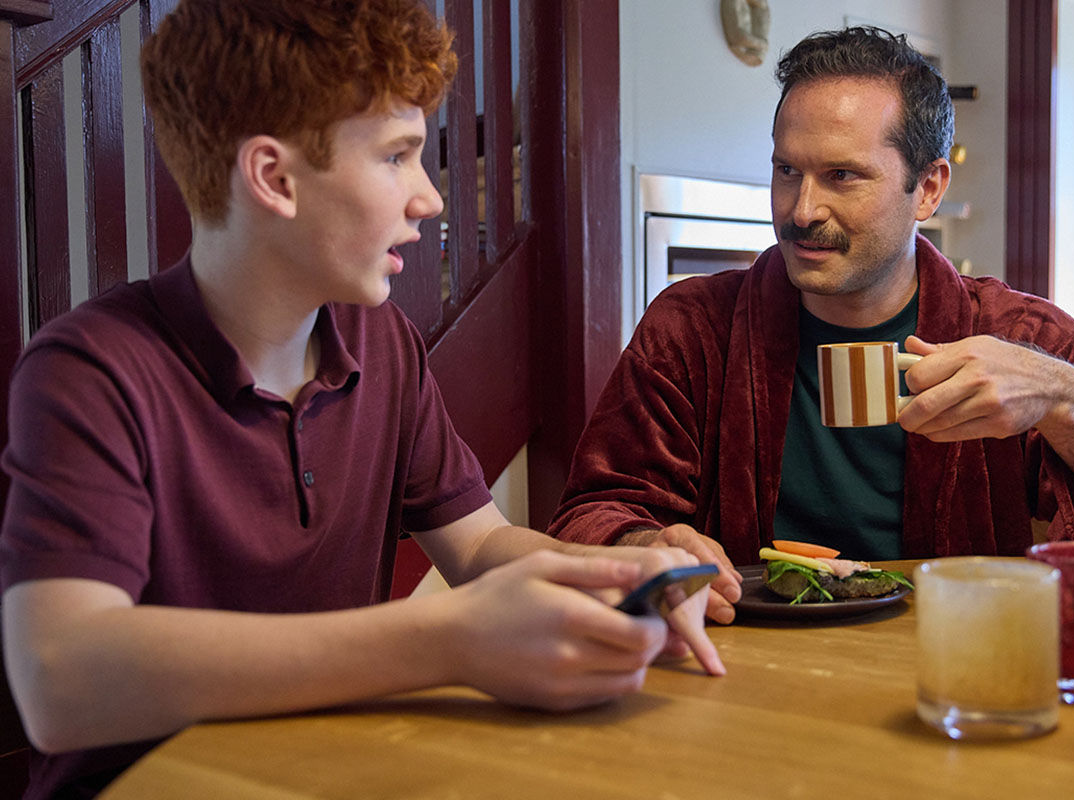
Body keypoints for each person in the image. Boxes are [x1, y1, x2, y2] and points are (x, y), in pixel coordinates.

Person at [0, 2, 722, 797]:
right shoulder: (89, 369)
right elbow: (58, 682)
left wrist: (619, 571)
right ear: (273, 178)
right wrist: (444, 641)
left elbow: (480, 551)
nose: (430, 198)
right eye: (398, 156)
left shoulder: (386, 348)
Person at [549, 26, 1074, 624]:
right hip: (742, 674)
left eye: (843, 176)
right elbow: (592, 512)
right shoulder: (693, 329)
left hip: (955, 663)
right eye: (787, 171)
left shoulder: (1020, 336)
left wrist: (1071, 404)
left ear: (929, 189)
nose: (801, 209)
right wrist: (639, 545)